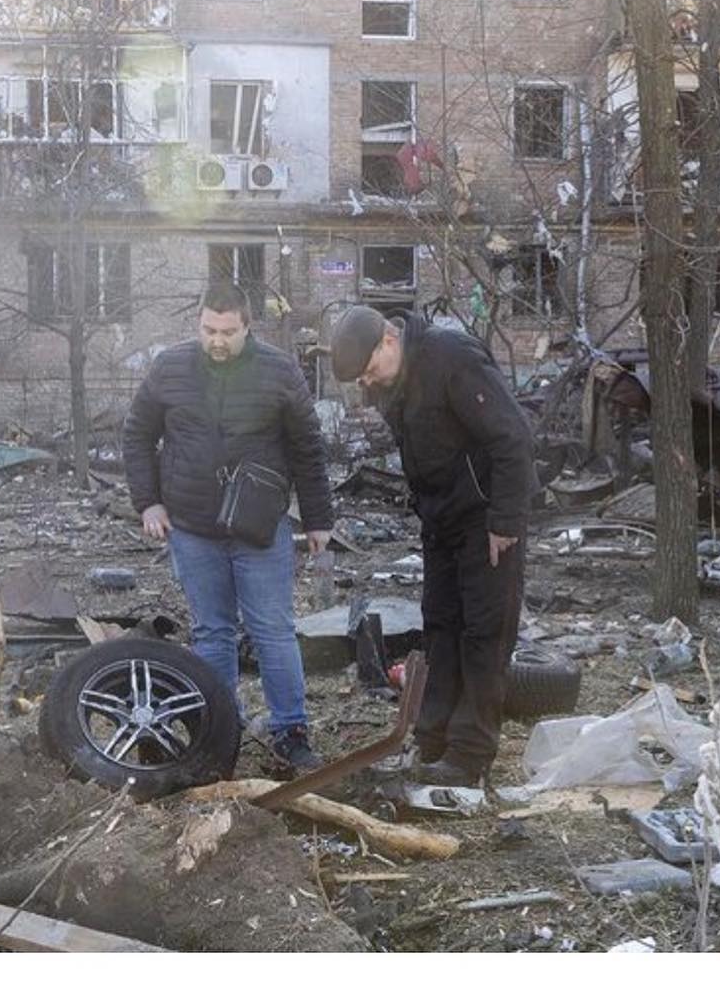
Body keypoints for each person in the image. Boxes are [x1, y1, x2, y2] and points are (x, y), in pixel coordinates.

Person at [122, 282, 334, 772]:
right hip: (192, 526)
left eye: (227, 332)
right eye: (209, 330)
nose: (217, 341)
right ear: (198, 323)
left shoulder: (279, 371)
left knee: (273, 630)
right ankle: (220, 731)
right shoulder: (170, 367)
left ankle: (291, 733)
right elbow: (137, 434)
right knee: (211, 631)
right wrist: (148, 502)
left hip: (259, 527)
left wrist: (319, 519)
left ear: (247, 327)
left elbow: (307, 447)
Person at [329, 305, 535, 788]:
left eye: (368, 370)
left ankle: (469, 755)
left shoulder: (451, 357)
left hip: (487, 519)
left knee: (484, 632)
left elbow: (513, 437)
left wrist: (505, 520)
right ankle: (432, 738)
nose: (367, 383)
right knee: (441, 625)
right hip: (441, 520)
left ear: (388, 338)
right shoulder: (391, 380)